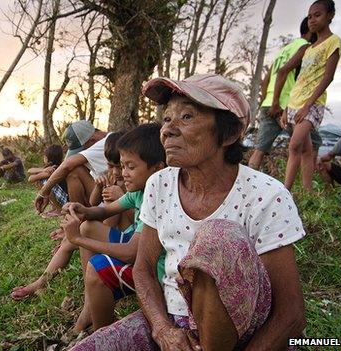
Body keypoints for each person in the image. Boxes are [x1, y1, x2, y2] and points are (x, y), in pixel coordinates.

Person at [72, 74, 306, 351]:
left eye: (186, 116)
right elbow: (144, 269)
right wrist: (162, 329)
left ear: (229, 134)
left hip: (243, 332)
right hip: (173, 323)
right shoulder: (160, 184)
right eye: (167, 118)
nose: (168, 129)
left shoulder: (266, 195)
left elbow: (291, 314)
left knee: (217, 236)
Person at [62, 123, 165, 332]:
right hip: (142, 253)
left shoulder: (156, 197)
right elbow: (104, 212)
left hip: (156, 273)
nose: (123, 173)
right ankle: (89, 303)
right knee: (89, 226)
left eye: (130, 167)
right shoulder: (140, 190)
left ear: (157, 168)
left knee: (98, 269)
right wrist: (83, 209)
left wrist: (77, 240)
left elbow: (131, 254)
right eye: (122, 166)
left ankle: (103, 336)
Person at [11, 133, 128, 306]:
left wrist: (120, 196)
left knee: (81, 235)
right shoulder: (112, 175)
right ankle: (41, 282)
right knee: (69, 241)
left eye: (120, 166)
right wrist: (97, 187)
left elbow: (120, 214)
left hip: (118, 231)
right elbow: (96, 202)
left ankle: (87, 299)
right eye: (110, 166)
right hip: (105, 219)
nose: (116, 171)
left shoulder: (130, 183)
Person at [272, 0, 341, 191]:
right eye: (310, 16)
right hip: (295, 102)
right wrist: (287, 107)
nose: (312, 20)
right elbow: (300, 79)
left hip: (312, 104)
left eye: (317, 15)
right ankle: (307, 190)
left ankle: (285, 190)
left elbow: (328, 77)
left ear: (330, 16)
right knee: (305, 150)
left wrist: (307, 106)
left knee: (294, 145)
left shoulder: (333, 42)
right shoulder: (308, 49)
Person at [248, 17, 323, 171]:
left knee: (259, 150)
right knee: (313, 143)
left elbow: (265, 80)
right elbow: (283, 72)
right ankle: (306, 187)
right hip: (285, 106)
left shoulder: (285, 50)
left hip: (269, 105)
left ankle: (246, 183)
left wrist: (267, 102)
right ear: (310, 29)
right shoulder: (305, 48)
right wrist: (277, 103)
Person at [34, 121, 109, 213]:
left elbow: (67, 165)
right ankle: (76, 218)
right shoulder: (101, 143)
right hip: (99, 196)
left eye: (82, 150)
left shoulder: (105, 142)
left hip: (111, 202)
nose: (82, 152)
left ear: (92, 140)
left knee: (75, 170)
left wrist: (43, 192)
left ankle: (76, 219)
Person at [28, 144, 68, 217]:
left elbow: (30, 179)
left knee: (44, 181)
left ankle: (59, 209)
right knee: (43, 182)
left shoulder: (52, 170)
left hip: (66, 200)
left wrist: (43, 171)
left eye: (44, 157)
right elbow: (30, 170)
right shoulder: (55, 167)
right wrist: (43, 170)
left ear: (47, 158)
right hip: (65, 197)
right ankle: (54, 207)